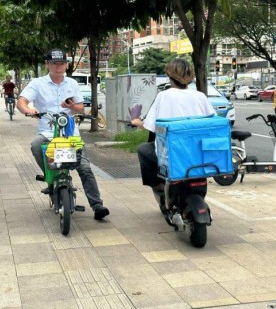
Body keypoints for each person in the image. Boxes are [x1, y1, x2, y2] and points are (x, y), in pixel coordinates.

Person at [16, 48, 110, 220]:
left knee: (85, 168)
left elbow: (81, 107)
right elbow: (21, 101)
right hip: (48, 133)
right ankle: (50, 177)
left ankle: (97, 205)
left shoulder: (72, 84)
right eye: (54, 63)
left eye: (61, 63)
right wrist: (28, 109)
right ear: (47, 64)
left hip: (70, 135)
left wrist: (72, 107)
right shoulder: (37, 83)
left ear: (66, 65)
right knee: (36, 145)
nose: (58, 67)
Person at [131, 58, 216, 190]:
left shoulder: (163, 96)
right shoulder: (200, 96)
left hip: (172, 152)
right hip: (198, 151)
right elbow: (212, 122)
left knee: (143, 150)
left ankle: (158, 185)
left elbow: (151, 126)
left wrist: (137, 122)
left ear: (169, 76)